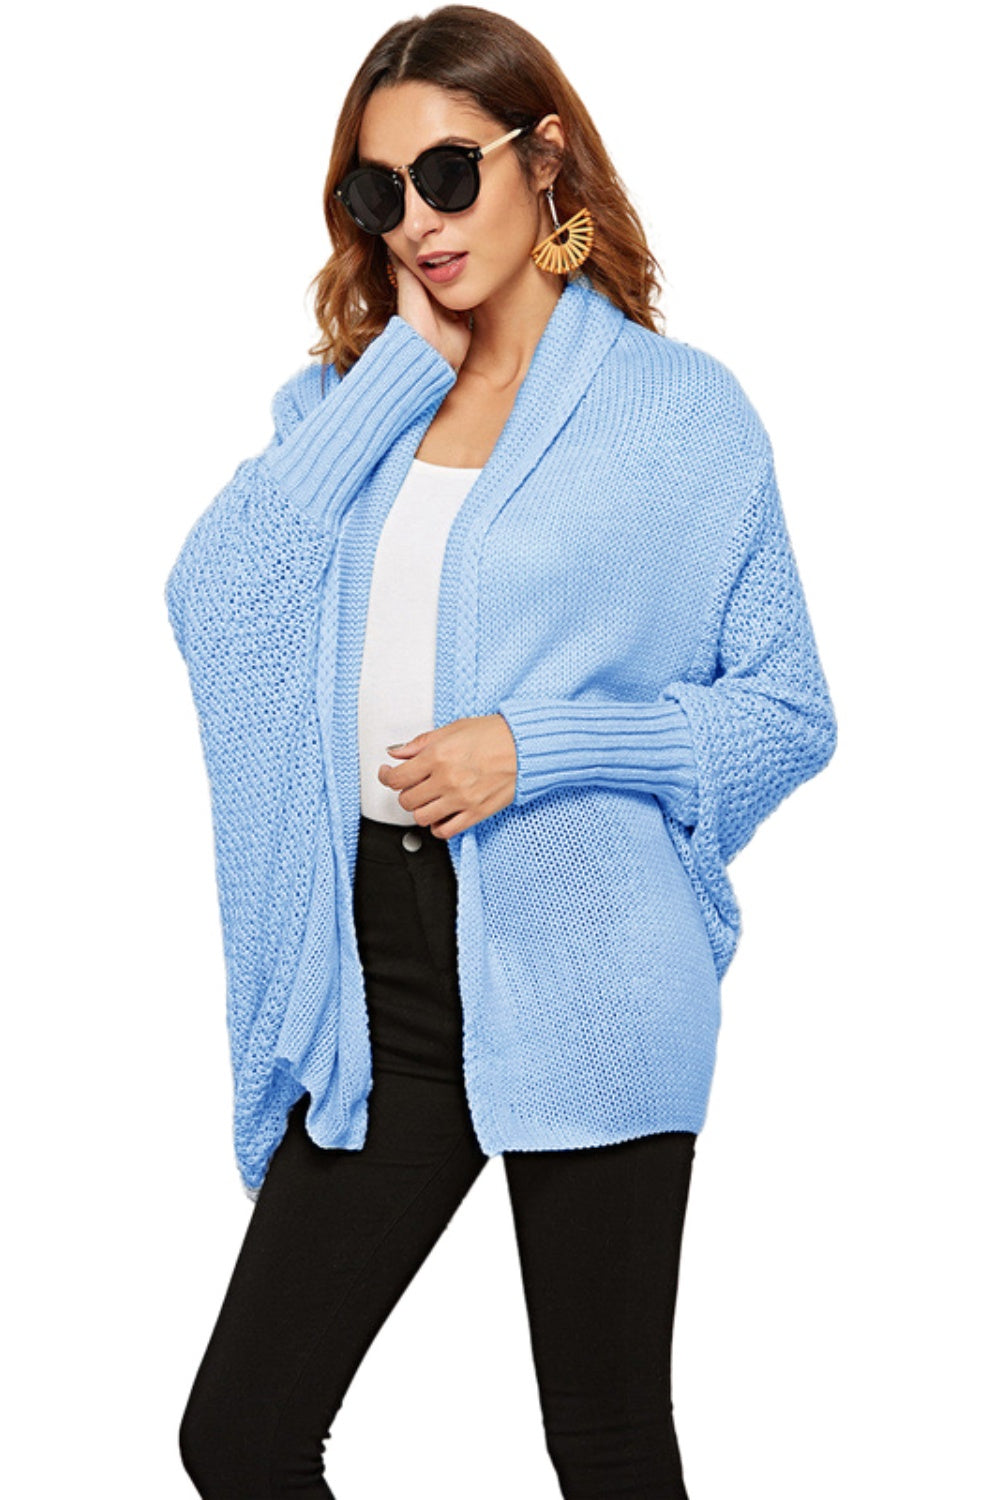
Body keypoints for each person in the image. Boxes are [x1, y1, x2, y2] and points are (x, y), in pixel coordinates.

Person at [166, 8, 838, 1498]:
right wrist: (398, 378)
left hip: (588, 961)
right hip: (380, 981)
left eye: (449, 174)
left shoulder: (679, 416)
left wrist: (537, 748)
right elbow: (215, 604)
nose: (417, 219)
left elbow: (785, 709)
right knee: (242, 1435)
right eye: (378, 192)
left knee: (603, 1442)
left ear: (544, 159)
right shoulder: (344, 408)